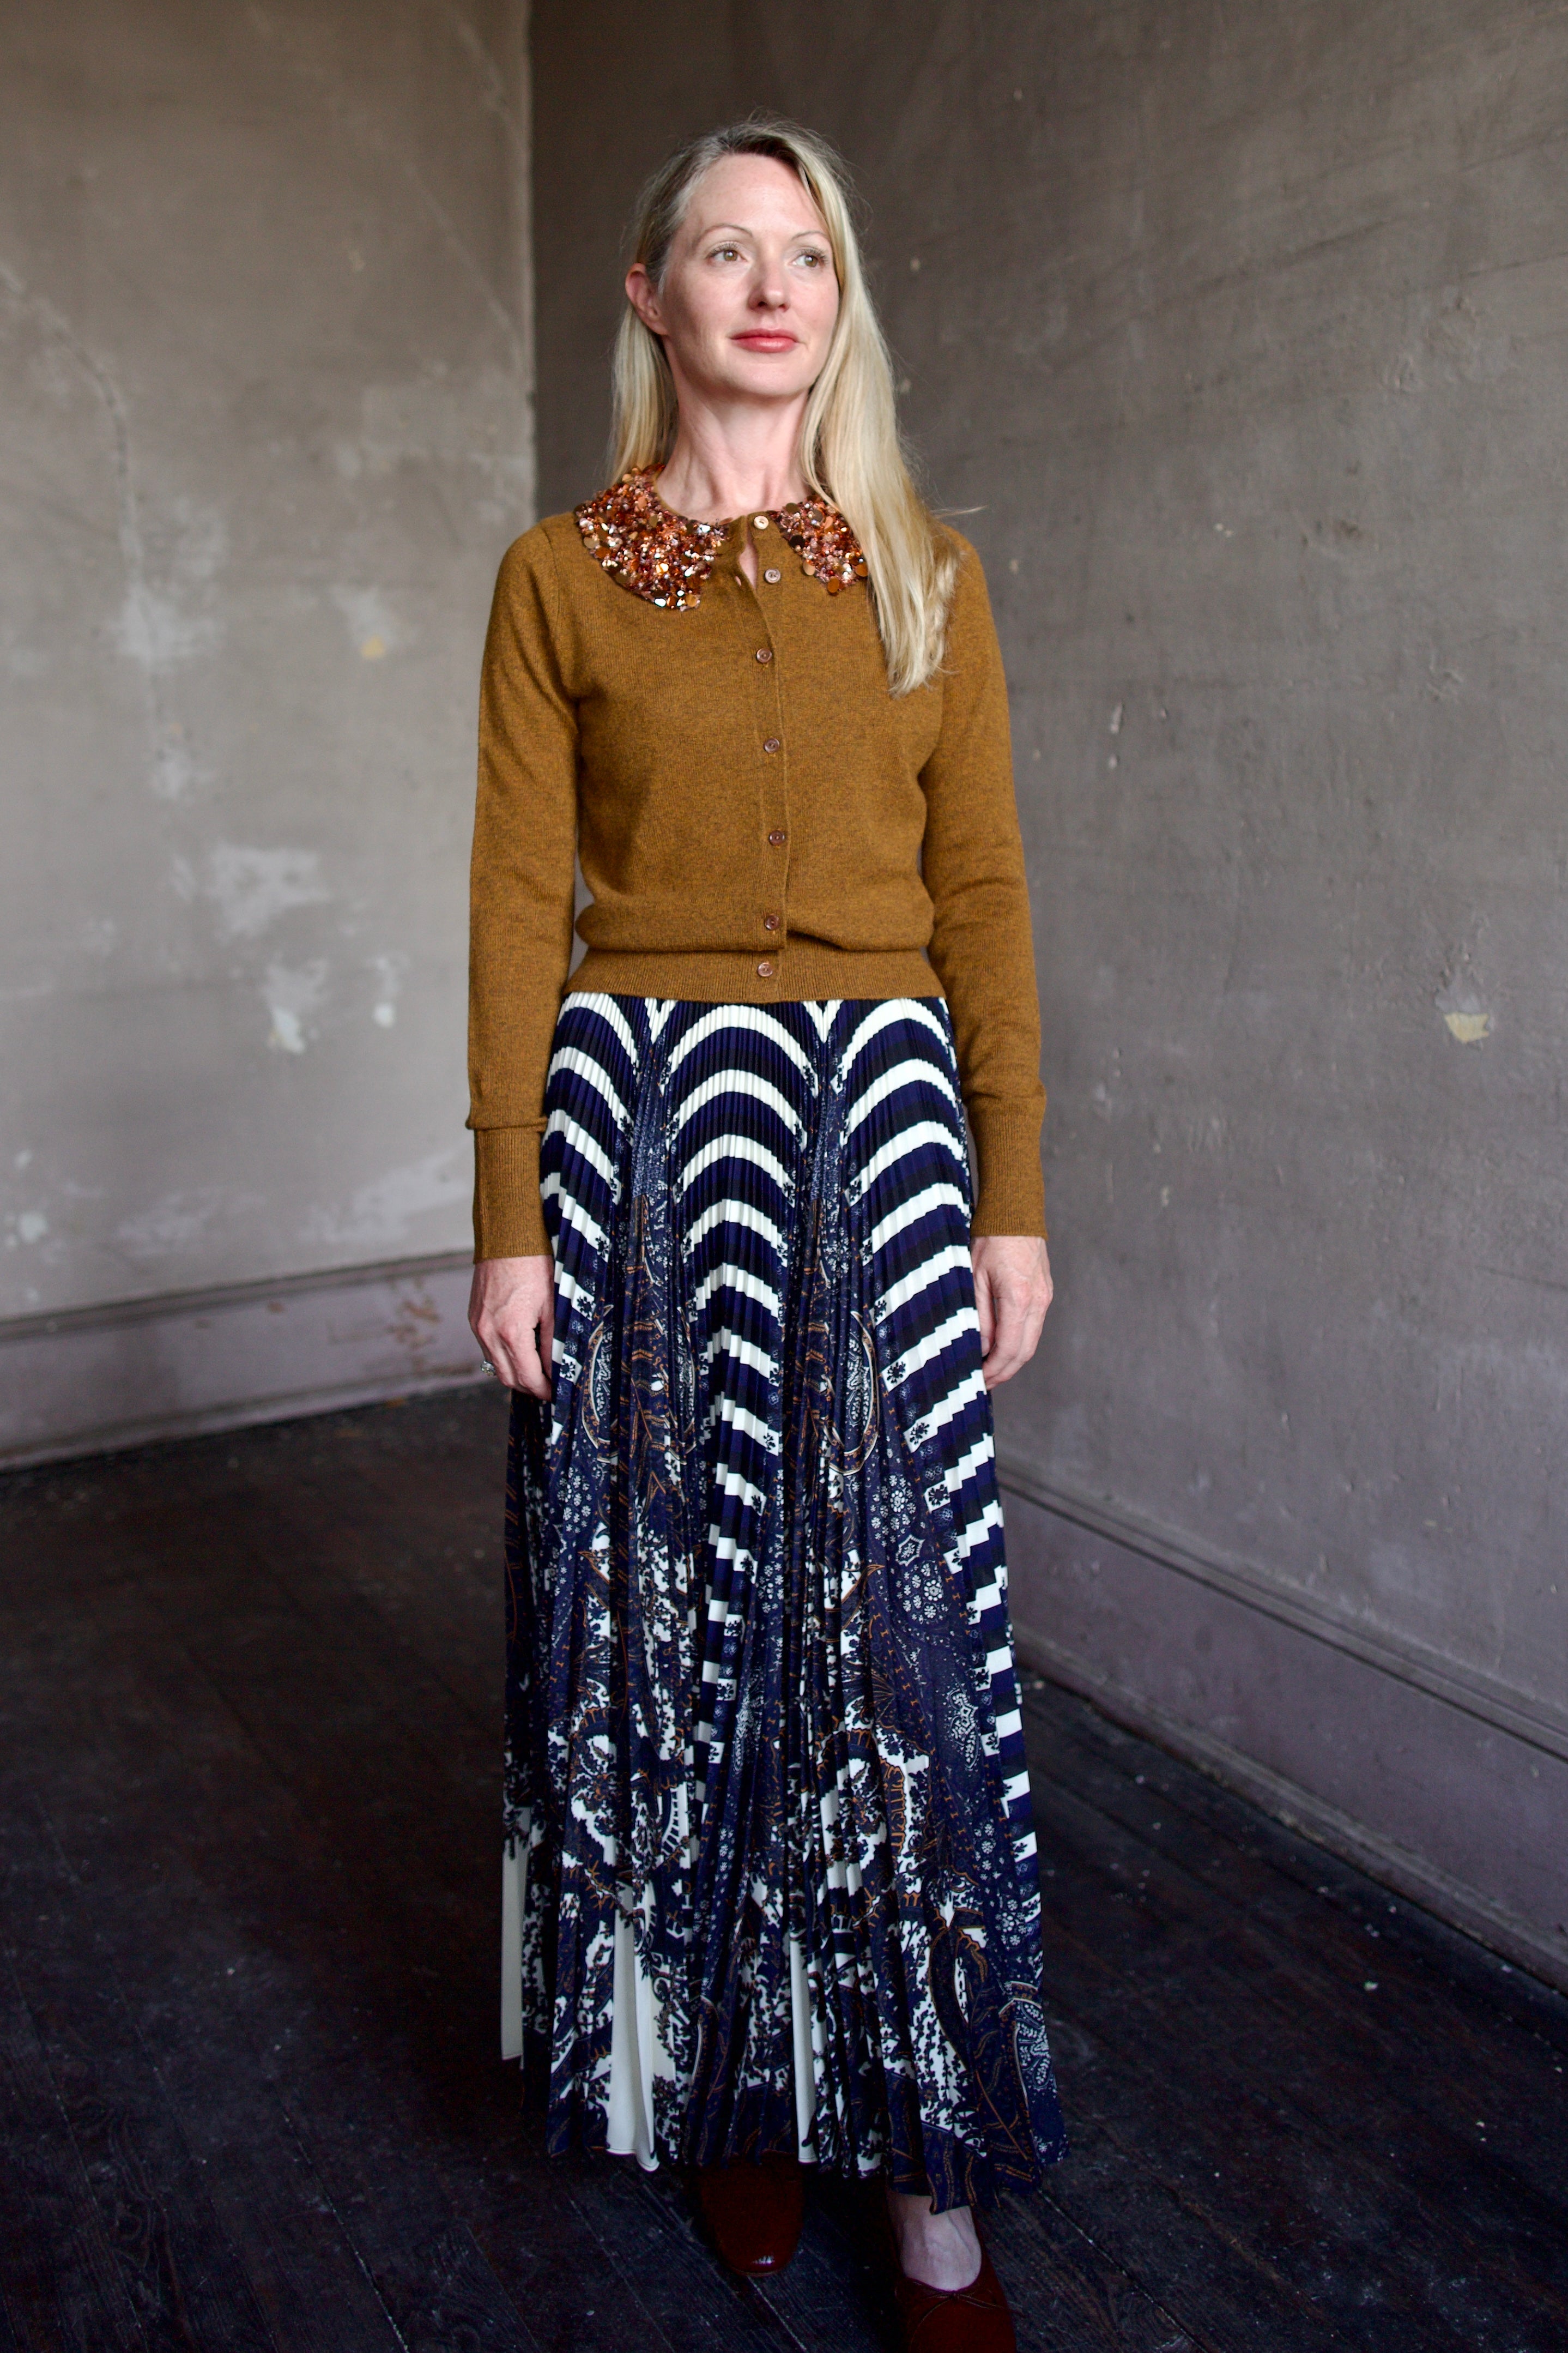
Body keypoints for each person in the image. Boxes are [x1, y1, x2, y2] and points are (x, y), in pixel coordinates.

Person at [467, 117, 1066, 2353]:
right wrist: (506, 1213)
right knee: (679, 1629)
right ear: (653, 296)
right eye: (725, 250)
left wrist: (1013, 1187)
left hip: (885, 1130)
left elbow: (984, 894)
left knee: (902, 1651)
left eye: (804, 252)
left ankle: (926, 2184)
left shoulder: (925, 572)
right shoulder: (560, 579)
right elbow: (515, 902)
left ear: (841, 297)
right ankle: (735, 2085)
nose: (770, 285)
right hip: (637, 1125)